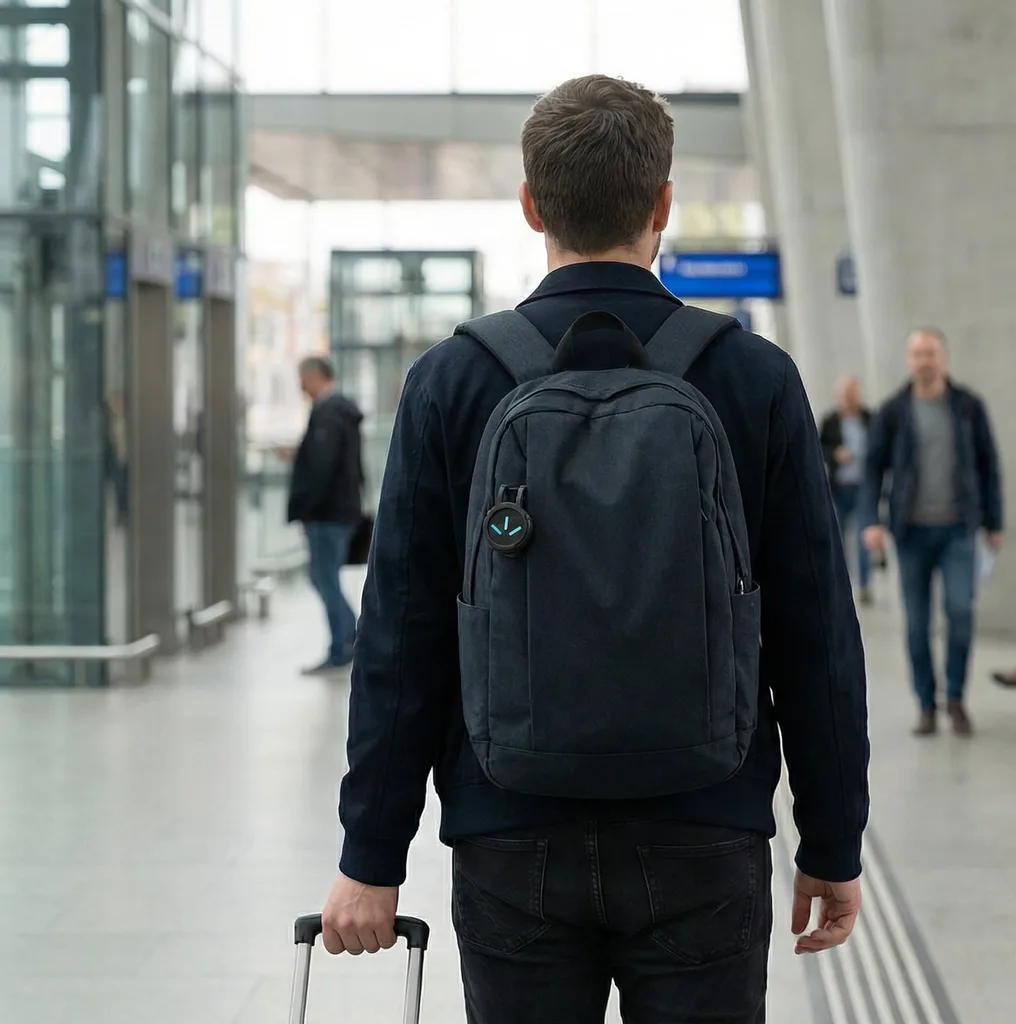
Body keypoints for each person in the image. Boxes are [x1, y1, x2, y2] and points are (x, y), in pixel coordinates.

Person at [321, 75, 868, 1024]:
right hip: (706, 821)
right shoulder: (754, 379)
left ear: (531, 205)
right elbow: (815, 630)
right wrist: (832, 838)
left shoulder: (452, 381)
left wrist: (372, 856)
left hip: (510, 830)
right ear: (663, 205)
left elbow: (400, 639)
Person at [862, 328, 1002, 737]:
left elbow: (988, 465)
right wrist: (871, 519)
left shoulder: (968, 407)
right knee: (917, 624)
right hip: (911, 533)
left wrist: (994, 523)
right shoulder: (893, 411)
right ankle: (926, 704)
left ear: (944, 357)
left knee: (960, 613)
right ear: (909, 359)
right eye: (917, 353)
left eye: (931, 353)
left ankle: (955, 698)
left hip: (960, 528)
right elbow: (873, 469)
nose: (924, 360)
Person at [285, 355, 364, 675]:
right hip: (341, 509)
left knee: (324, 577)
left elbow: (322, 467)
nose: (301, 387)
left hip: (326, 514)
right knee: (323, 577)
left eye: (303, 380)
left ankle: (345, 644)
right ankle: (351, 639)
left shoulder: (329, 413)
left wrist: (306, 508)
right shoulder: (342, 411)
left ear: (316, 377)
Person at [819, 376, 873, 603]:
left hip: (863, 487)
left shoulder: (870, 419)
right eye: (845, 393)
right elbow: (818, 447)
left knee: (864, 538)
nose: (849, 397)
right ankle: (842, 584)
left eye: (852, 392)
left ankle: (864, 585)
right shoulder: (831, 421)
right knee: (838, 539)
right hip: (838, 487)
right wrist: (835, 455)